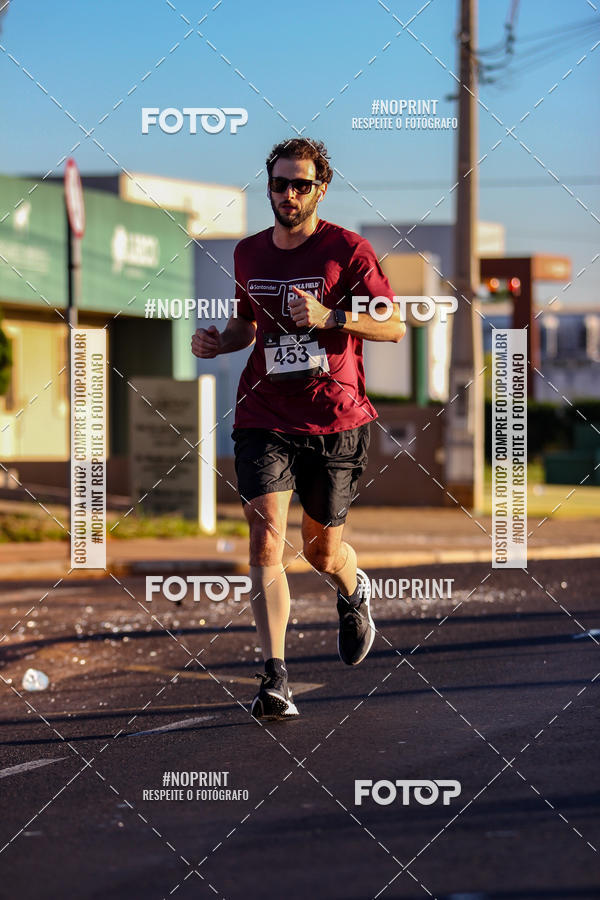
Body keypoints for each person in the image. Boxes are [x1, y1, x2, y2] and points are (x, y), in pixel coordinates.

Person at [192, 137, 405, 720]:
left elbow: (394, 328)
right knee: (265, 541)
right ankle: (274, 677)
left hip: (335, 419)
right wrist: (218, 342)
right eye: (279, 184)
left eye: (301, 185)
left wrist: (331, 316)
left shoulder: (349, 250)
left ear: (321, 190)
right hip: (264, 416)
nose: (288, 194)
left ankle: (353, 590)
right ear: (268, 188)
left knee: (321, 551)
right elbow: (246, 328)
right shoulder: (248, 254)